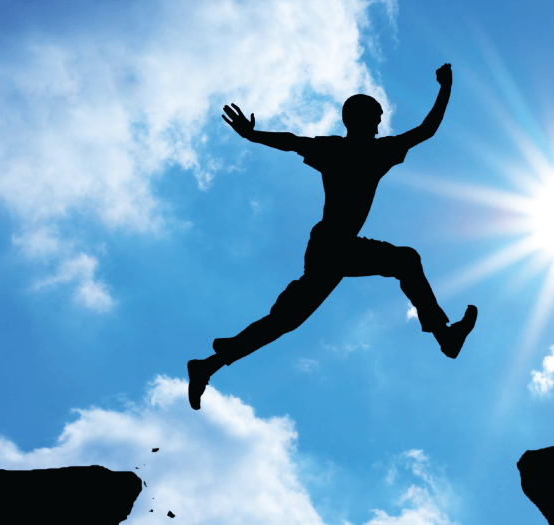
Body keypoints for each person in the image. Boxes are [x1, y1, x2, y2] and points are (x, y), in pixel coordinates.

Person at [187, 63, 477, 410]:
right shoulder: (365, 151)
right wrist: (445, 87)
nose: (382, 122)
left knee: (287, 320)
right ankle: (444, 336)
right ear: (363, 119)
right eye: (378, 116)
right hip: (333, 245)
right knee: (405, 260)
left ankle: (207, 366)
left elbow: (294, 143)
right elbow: (425, 130)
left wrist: (254, 135)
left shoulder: (345, 149)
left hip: (331, 247)